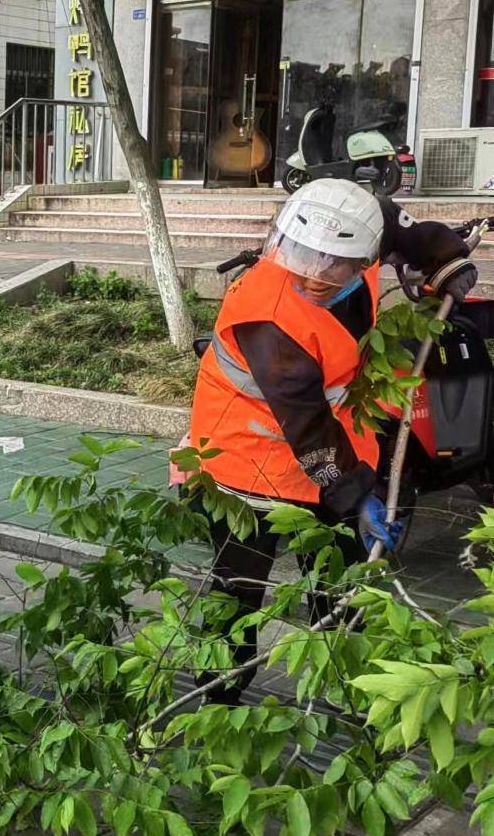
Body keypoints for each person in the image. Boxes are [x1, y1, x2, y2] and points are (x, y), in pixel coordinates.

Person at [190, 178, 477, 704]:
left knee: (339, 585)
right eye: (303, 264)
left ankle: (344, 687)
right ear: (283, 241)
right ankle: (219, 694)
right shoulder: (269, 319)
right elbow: (310, 429)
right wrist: (355, 498)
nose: (314, 279)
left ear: (362, 253)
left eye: (330, 271)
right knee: (238, 590)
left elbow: (398, 225)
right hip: (246, 463)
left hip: (337, 445)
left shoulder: (356, 226)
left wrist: (447, 262)